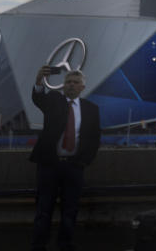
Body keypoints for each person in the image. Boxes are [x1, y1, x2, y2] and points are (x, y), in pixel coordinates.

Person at [30, 66, 101, 251]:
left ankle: (65, 245)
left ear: (82, 87)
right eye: (68, 82)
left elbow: (94, 138)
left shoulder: (91, 109)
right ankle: (39, 245)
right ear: (63, 86)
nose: (71, 85)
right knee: (44, 209)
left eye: (75, 82)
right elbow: (38, 98)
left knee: (70, 210)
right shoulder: (53, 101)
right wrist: (39, 81)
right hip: (49, 165)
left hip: (74, 167)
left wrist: (84, 161)